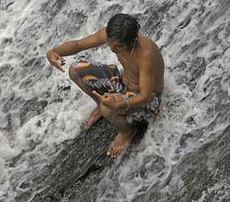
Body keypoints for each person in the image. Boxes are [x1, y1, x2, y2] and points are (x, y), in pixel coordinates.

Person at [46, 13, 165, 157]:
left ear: (132, 42)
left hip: (147, 99)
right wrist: (54, 52)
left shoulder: (146, 54)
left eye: (118, 47)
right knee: (75, 70)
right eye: (110, 43)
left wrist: (116, 105)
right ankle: (102, 105)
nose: (112, 49)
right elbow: (78, 45)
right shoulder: (112, 36)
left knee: (108, 107)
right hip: (122, 81)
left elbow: (146, 97)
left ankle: (127, 131)